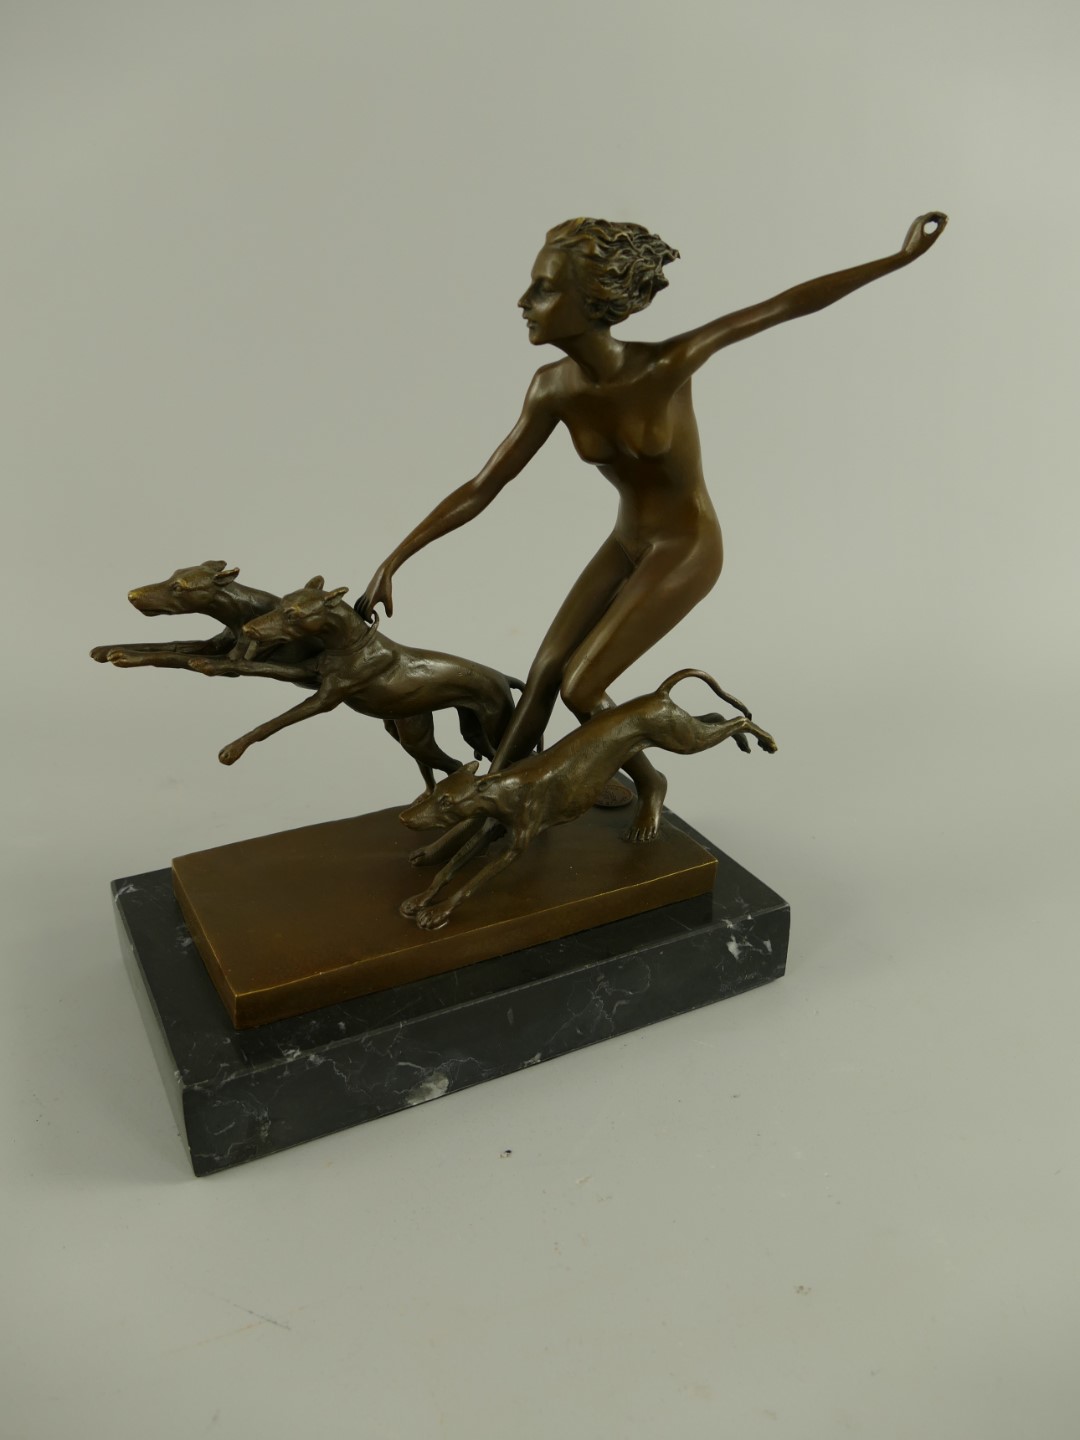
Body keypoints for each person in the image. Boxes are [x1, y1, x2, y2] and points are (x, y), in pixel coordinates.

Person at [359, 211, 947, 843]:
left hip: (686, 547)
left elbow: (784, 306)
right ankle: (490, 810)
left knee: (582, 687)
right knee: (545, 670)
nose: (524, 302)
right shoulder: (551, 388)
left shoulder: (667, 363)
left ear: (592, 300)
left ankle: (649, 780)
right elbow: (483, 486)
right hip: (626, 541)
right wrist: (396, 558)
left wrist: (898, 259)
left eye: (544, 289)